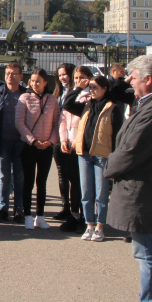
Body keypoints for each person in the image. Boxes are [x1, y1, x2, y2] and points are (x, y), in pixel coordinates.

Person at [104, 55, 152, 302]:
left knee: (147, 252)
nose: (128, 81)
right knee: (143, 251)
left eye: (133, 77)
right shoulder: (149, 103)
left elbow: (132, 150)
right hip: (142, 187)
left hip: (145, 189)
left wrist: (109, 168)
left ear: (148, 79)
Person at [63, 72, 124, 241]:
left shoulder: (113, 107)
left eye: (95, 87)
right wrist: (78, 88)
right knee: (86, 191)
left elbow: (117, 134)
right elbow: (67, 104)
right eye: (90, 87)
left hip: (102, 155)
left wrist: (114, 158)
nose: (92, 90)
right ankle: (89, 224)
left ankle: (100, 226)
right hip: (84, 154)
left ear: (105, 88)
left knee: (101, 193)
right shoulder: (86, 105)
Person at [16, 68, 60, 230]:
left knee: (42, 182)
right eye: (32, 81)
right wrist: (33, 141)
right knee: (28, 182)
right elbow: (19, 122)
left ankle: (40, 216)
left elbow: (57, 124)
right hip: (29, 147)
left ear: (45, 83)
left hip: (46, 147)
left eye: (38, 81)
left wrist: (50, 141)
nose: (34, 84)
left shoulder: (52, 100)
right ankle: (28, 215)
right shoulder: (24, 98)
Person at [0, 62, 27, 224]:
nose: (10, 76)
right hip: (2, 142)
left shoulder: (26, 94)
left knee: (19, 178)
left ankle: (19, 209)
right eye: (8, 73)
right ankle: (3, 209)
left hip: (21, 143)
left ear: (21, 76)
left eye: (14, 73)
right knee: (4, 177)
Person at [57, 64, 89, 232]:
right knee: (73, 182)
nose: (78, 81)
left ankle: (85, 217)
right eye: (76, 78)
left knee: (82, 184)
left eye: (81, 78)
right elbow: (63, 117)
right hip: (68, 142)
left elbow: (85, 121)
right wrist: (63, 139)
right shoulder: (72, 93)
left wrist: (77, 139)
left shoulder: (89, 96)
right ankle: (74, 215)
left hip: (81, 144)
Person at [52, 63, 79, 224]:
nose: (62, 77)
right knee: (62, 175)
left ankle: (75, 210)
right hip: (58, 139)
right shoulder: (57, 93)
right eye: (60, 75)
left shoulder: (78, 93)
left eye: (65, 74)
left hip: (73, 139)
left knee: (74, 177)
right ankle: (65, 207)